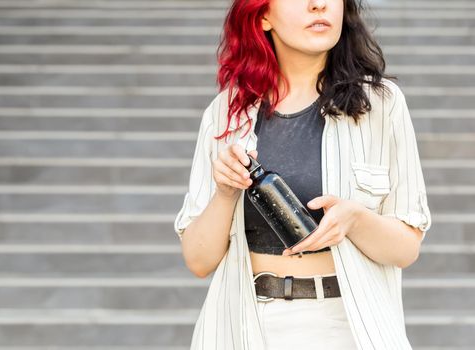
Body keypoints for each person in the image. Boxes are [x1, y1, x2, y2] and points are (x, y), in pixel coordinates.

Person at [173, 0, 432, 349]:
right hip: (245, 326)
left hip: (347, 326)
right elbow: (198, 259)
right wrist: (224, 191)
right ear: (263, 15)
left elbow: (406, 249)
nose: (319, 5)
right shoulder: (225, 115)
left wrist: (354, 220)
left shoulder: (381, 106)